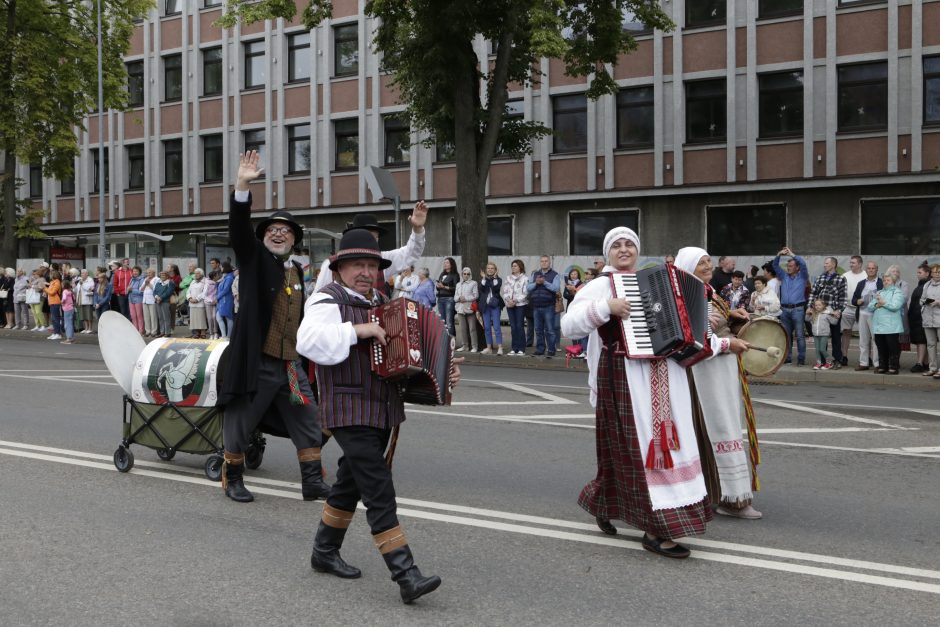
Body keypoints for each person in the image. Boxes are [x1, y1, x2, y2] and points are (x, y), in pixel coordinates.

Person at [297, 227, 457, 603]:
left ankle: (324, 552)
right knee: (379, 489)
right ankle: (406, 574)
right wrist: (359, 329)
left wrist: (444, 366)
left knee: (349, 484)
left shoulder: (385, 303)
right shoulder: (326, 301)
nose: (366, 272)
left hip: (383, 408)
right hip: (349, 409)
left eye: (371, 265)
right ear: (339, 269)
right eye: (357, 265)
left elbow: (408, 358)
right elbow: (307, 342)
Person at [562, 230, 723, 559]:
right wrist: (606, 307)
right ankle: (657, 529)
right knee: (637, 450)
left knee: (661, 448)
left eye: (629, 244)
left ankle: (606, 502)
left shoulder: (655, 281)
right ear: (608, 253)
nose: (624, 250)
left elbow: (680, 325)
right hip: (624, 375)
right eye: (617, 246)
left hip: (667, 373)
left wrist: (711, 339)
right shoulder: (599, 285)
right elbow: (569, 326)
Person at [216, 150, 330, 504]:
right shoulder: (254, 260)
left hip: (290, 365)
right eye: (273, 230)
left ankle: (312, 481)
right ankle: (232, 477)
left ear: (294, 240)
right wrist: (241, 186)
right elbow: (239, 230)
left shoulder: (296, 271)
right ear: (263, 236)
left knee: (310, 418)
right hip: (257, 361)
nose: (279, 234)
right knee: (241, 423)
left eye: (286, 231)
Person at [675, 247, 760, 520]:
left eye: (709, 261)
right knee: (715, 429)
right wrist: (728, 342)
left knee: (721, 429)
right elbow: (696, 339)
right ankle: (727, 497)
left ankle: (720, 494)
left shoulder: (707, 291)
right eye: (701, 263)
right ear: (688, 268)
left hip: (720, 371)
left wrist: (732, 315)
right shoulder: (689, 294)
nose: (708, 266)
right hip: (705, 374)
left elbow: (712, 324)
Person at [313, 207, 429, 295]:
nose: (371, 241)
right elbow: (317, 299)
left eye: (375, 237)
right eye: (367, 235)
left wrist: (417, 229)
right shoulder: (331, 263)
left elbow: (410, 253)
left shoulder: (383, 259)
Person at [773, 247, 809, 366]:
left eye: (791, 266)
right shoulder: (784, 276)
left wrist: (792, 254)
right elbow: (775, 266)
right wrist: (779, 254)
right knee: (786, 335)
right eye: (788, 266)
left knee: (799, 335)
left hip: (797, 309)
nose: (788, 268)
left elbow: (803, 263)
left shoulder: (802, 276)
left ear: (797, 268)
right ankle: (787, 357)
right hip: (784, 310)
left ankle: (801, 358)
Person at [809, 257, 847, 369]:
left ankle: (837, 360)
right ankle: (822, 361)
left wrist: (838, 311)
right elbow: (813, 293)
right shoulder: (820, 277)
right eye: (824, 263)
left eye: (827, 263)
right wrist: (810, 307)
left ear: (833, 264)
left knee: (836, 337)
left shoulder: (841, 279)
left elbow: (843, 297)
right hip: (819, 312)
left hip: (833, 312)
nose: (824, 265)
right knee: (821, 336)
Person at [868, 267, 906, 375]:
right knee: (881, 347)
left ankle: (893, 367)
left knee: (893, 348)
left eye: (888, 280)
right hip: (879, 326)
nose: (885, 282)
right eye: (884, 280)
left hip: (891, 326)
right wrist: (877, 304)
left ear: (893, 281)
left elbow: (895, 306)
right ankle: (882, 366)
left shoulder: (898, 292)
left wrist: (883, 303)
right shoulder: (879, 292)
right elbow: (870, 307)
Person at [852, 261, 882, 371]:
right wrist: (857, 301)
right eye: (869, 268)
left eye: (873, 268)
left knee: (876, 340)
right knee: (863, 340)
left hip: (876, 315)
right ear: (866, 270)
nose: (871, 270)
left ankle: (877, 364)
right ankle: (864, 363)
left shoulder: (881, 283)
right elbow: (853, 299)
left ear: (877, 269)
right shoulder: (861, 283)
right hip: (862, 314)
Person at [527, 255, 559, 358]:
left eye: (546, 261)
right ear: (540, 263)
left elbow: (556, 288)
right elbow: (528, 287)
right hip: (536, 306)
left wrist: (544, 282)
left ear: (549, 263)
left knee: (550, 330)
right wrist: (536, 283)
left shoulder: (555, 275)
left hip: (548, 306)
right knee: (538, 330)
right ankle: (540, 349)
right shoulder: (535, 274)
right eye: (542, 261)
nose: (544, 263)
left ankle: (551, 349)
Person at [840, 255, 866, 367]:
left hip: (863, 309)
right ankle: (844, 356)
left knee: (865, 334)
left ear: (860, 264)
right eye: (850, 263)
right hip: (847, 308)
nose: (851, 264)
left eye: (853, 263)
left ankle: (866, 358)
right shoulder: (844, 276)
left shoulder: (866, 275)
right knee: (846, 332)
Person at [501, 259, 528, 356]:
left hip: (520, 305)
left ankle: (521, 348)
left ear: (520, 267)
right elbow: (505, 291)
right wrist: (509, 300)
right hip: (510, 305)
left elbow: (525, 293)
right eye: (512, 266)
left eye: (515, 266)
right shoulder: (508, 278)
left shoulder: (525, 278)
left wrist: (515, 300)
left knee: (519, 326)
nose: (513, 267)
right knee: (513, 327)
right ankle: (514, 348)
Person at [908, 263, 931, 373]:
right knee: (921, 341)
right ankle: (925, 363)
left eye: (920, 272)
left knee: (921, 341)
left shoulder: (928, 286)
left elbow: (922, 304)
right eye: (917, 272)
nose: (917, 274)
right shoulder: (921, 285)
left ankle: (920, 363)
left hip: (922, 318)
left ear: (927, 273)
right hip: (917, 319)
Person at [478, 262, 504, 355]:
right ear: (486, 270)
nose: (490, 270)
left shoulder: (498, 279)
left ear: (495, 270)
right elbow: (481, 288)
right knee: (487, 327)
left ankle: (500, 347)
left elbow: (495, 288)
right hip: (486, 306)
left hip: (495, 305)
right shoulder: (483, 280)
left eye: (492, 268)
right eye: (488, 268)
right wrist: (484, 278)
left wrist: (494, 278)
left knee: (496, 327)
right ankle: (489, 347)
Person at [919, 264, 940, 379]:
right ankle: (932, 368)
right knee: (931, 345)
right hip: (928, 318)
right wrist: (925, 302)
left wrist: (938, 302)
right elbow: (921, 299)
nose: (937, 274)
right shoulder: (927, 284)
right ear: (931, 273)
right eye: (935, 272)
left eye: (939, 272)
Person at [806, 299, 838, 370]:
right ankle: (818, 363)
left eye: (819, 305)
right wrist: (807, 313)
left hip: (824, 334)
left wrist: (836, 316)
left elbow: (834, 322)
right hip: (816, 334)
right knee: (817, 350)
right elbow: (807, 319)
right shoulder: (814, 314)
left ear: (823, 306)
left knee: (822, 349)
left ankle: (829, 362)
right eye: (816, 305)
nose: (817, 306)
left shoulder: (827, 314)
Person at [454, 266, 479, 353]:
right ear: (462, 274)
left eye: (468, 274)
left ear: (470, 274)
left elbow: (476, 295)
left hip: (469, 308)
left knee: (472, 328)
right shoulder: (458, 284)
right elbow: (455, 297)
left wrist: (465, 298)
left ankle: (474, 346)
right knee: (462, 329)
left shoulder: (474, 283)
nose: (466, 275)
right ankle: (465, 346)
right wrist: (459, 298)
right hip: (460, 308)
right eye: (464, 274)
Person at [435, 257, 459, 337]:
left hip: (449, 299)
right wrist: (438, 286)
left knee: (449, 321)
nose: (445, 264)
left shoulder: (455, 275)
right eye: (444, 263)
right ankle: (445, 340)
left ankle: (452, 341)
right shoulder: (442, 274)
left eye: (447, 263)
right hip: (440, 299)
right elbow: (439, 287)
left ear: (451, 264)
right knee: (443, 321)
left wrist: (444, 287)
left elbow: (456, 288)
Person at [215, 262, 235, 338]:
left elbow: (226, 289)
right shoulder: (226, 277)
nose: (221, 268)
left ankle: (228, 336)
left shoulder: (229, 278)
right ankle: (224, 336)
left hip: (227, 300)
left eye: (222, 267)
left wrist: (217, 297)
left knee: (228, 317)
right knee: (219, 316)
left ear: (225, 267)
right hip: (222, 300)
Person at [187, 268, 207, 339]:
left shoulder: (205, 281)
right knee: (194, 319)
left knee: (201, 319)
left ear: (201, 274)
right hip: (192, 303)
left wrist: (197, 299)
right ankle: (196, 333)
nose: (196, 275)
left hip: (200, 303)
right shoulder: (193, 282)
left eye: (198, 273)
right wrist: (190, 298)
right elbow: (188, 291)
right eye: (195, 273)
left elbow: (205, 292)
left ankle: (203, 332)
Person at [153, 270, 174, 337]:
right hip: (157, 301)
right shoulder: (158, 283)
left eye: (164, 275)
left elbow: (168, 292)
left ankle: (167, 332)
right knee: (160, 317)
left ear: (167, 276)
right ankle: (162, 332)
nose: (162, 276)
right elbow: (154, 292)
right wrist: (156, 297)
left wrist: (161, 298)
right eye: (161, 275)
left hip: (165, 301)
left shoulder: (170, 283)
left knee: (166, 317)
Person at [44, 271, 63, 341]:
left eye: (51, 274)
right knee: (53, 319)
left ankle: (58, 333)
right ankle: (55, 332)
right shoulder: (52, 282)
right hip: (51, 302)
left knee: (56, 318)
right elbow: (49, 290)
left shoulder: (57, 282)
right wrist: (46, 288)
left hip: (56, 301)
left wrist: (44, 288)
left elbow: (52, 292)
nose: (50, 276)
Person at [127, 266, 145, 334]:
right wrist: (128, 289)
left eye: (136, 271)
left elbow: (141, 292)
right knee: (133, 316)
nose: (135, 272)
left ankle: (141, 330)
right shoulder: (132, 279)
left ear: (139, 272)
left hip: (138, 300)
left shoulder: (141, 280)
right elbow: (129, 288)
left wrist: (132, 290)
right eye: (134, 271)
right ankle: (135, 330)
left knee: (139, 315)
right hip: (131, 299)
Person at [77, 269, 95, 334]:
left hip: (87, 300)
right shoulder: (80, 280)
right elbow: (77, 289)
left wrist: (82, 284)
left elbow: (89, 288)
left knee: (88, 315)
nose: (82, 274)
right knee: (83, 315)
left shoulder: (90, 280)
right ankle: (86, 328)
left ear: (87, 274)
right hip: (81, 300)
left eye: (83, 273)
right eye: (81, 273)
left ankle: (90, 328)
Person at [142, 269, 158, 337]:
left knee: (153, 316)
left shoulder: (157, 279)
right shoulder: (146, 279)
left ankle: (154, 331)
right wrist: (145, 284)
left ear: (154, 273)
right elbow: (141, 289)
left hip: (152, 300)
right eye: (147, 273)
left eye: (150, 273)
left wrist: (149, 284)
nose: (148, 274)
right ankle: (147, 331)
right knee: (146, 317)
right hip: (145, 300)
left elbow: (156, 289)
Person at [204, 270, 219, 340]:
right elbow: (205, 294)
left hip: (215, 302)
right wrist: (210, 301)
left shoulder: (216, 283)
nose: (218, 276)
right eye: (217, 275)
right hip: (208, 303)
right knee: (209, 318)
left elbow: (217, 293)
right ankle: (211, 334)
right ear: (214, 277)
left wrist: (215, 300)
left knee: (214, 317)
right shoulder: (207, 284)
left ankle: (216, 333)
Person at [60, 279, 76, 345]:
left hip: (66, 308)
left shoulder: (64, 291)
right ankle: (72, 338)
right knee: (70, 323)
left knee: (67, 324)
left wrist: (61, 302)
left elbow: (64, 299)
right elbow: (74, 299)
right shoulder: (70, 291)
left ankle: (68, 338)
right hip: (71, 308)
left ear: (64, 285)